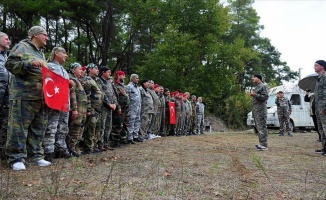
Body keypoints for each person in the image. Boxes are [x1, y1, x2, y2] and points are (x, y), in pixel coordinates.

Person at [5, 26, 51, 170]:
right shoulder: (22, 47)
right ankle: (16, 158)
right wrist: (28, 63)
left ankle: (36, 156)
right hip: (23, 95)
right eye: (45, 35)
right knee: (19, 128)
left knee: (39, 127)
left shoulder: (41, 53)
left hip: (40, 96)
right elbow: (10, 64)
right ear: (36, 35)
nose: (47, 38)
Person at [43, 47, 71, 161]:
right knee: (51, 126)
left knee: (63, 127)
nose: (66, 55)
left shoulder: (63, 70)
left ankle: (60, 148)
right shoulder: (49, 66)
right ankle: (48, 151)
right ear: (56, 53)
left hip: (64, 103)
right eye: (63, 52)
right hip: (54, 102)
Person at [80, 63, 103, 154]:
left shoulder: (95, 80)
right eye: (95, 68)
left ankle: (93, 146)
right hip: (92, 109)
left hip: (98, 109)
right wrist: (89, 109)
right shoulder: (87, 80)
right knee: (90, 128)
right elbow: (86, 96)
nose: (97, 70)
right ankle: (88, 148)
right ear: (90, 70)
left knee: (96, 128)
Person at [67, 62, 87, 157]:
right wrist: (74, 109)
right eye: (79, 69)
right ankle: (71, 148)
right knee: (75, 129)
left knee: (80, 129)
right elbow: (72, 94)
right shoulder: (72, 79)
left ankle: (76, 148)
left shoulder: (77, 80)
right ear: (73, 70)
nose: (81, 71)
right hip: (77, 109)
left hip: (82, 110)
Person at [96, 66, 118, 150]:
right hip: (103, 107)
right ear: (103, 72)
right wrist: (109, 104)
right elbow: (102, 94)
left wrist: (115, 104)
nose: (110, 74)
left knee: (108, 126)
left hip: (110, 107)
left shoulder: (109, 82)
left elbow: (113, 93)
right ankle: (100, 144)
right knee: (102, 125)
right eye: (108, 72)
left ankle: (106, 143)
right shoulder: (99, 81)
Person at [249, 74, 269, 151]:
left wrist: (255, 94)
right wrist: (254, 95)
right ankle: (261, 144)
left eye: (254, 77)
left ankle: (264, 145)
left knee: (262, 126)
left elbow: (265, 97)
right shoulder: (257, 87)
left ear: (258, 78)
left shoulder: (262, 86)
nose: (252, 78)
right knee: (258, 127)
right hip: (256, 110)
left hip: (261, 110)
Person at [111, 71, 129, 147]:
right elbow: (115, 97)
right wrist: (118, 107)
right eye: (123, 75)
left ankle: (122, 139)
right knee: (117, 125)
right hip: (119, 108)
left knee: (123, 124)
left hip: (125, 108)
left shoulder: (122, 85)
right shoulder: (114, 85)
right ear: (118, 75)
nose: (124, 77)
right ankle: (116, 142)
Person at [0, 31, 11, 159]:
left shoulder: (8, 57)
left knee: (5, 125)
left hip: (7, 98)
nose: (9, 41)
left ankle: (2, 153)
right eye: (6, 39)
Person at [313, 60, 326, 155]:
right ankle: (324, 147)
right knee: (321, 128)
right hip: (318, 107)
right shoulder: (318, 78)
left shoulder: (325, 77)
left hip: (323, 107)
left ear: (322, 66)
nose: (314, 66)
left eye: (316, 65)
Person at [125, 74, 142, 143]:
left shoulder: (137, 88)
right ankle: (130, 138)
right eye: (136, 78)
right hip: (132, 107)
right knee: (131, 122)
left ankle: (135, 136)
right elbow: (127, 98)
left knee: (137, 121)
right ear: (132, 79)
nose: (138, 79)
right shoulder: (129, 87)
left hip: (137, 107)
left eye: (138, 78)